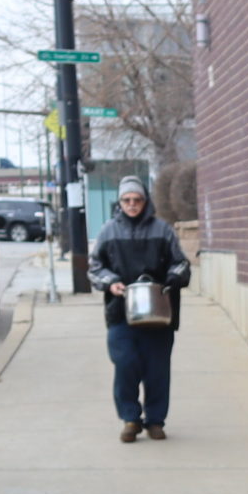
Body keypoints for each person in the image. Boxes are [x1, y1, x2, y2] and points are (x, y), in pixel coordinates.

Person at [89, 176, 192, 442]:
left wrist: (172, 278)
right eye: (127, 200)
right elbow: (95, 267)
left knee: (157, 368)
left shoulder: (163, 230)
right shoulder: (108, 231)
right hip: (120, 312)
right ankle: (130, 418)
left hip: (159, 312)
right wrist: (110, 283)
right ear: (120, 202)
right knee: (125, 365)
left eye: (137, 200)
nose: (132, 204)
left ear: (145, 201)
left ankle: (156, 420)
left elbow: (180, 263)